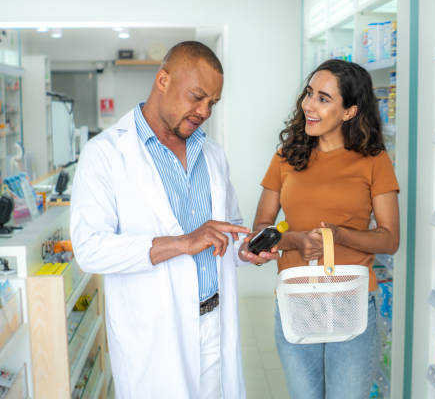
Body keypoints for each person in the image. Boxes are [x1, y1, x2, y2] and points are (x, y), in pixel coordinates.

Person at [70, 41, 275, 399]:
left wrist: (245, 251)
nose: (204, 111)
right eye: (197, 97)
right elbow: (89, 249)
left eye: (212, 103)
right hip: (153, 337)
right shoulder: (105, 154)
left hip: (214, 325)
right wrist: (182, 242)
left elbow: (227, 229)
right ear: (162, 80)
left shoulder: (211, 153)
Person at [251, 59, 400, 399]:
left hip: (351, 300)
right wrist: (296, 241)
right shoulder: (286, 157)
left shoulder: (374, 160)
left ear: (349, 111)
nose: (308, 105)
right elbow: (262, 226)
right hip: (296, 299)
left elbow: (390, 239)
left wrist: (339, 235)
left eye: (323, 98)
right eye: (308, 94)